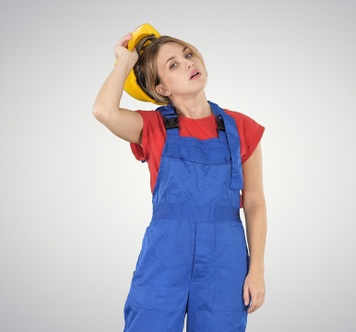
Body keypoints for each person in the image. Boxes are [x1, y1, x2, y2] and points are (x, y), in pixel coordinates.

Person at [92, 24, 267, 332]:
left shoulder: (241, 127)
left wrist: (256, 270)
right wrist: (124, 61)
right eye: (173, 65)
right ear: (162, 89)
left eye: (188, 54)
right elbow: (104, 111)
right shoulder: (152, 127)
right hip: (165, 251)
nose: (189, 62)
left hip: (225, 256)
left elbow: (253, 202)